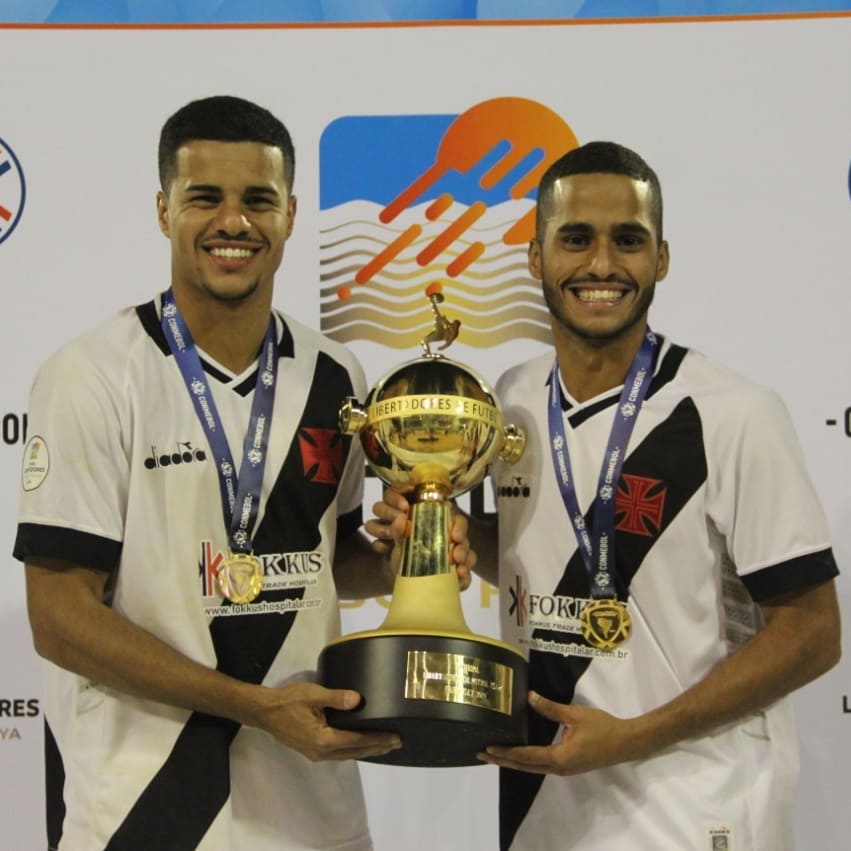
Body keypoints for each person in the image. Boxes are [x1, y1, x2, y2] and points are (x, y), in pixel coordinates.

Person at [14, 95, 471, 851]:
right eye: (205, 199)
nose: (234, 222)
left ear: (290, 213)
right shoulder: (90, 375)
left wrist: (404, 555)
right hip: (141, 806)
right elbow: (60, 617)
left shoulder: (336, 374)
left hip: (308, 810)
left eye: (258, 199)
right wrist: (253, 705)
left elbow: (332, 559)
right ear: (164, 211)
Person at [372, 141, 841, 850]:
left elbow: (811, 632)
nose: (599, 265)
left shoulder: (732, 411)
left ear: (661, 258)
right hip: (543, 804)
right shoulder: (513, 401)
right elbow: (565, 553)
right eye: (575, 239)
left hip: (692, 802)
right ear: (535, 258)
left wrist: (632, 736)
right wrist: (459, 542)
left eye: (627, 240)